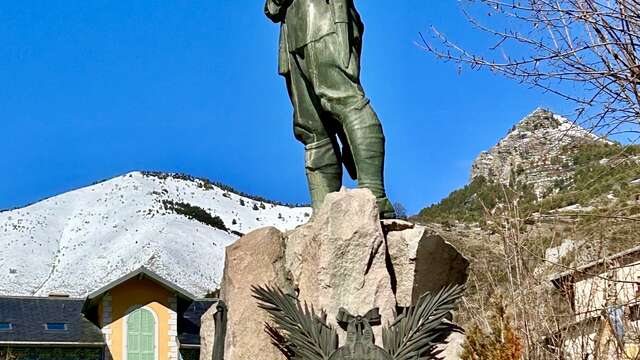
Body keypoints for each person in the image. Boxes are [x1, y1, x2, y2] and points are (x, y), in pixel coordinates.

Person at [264, 0, 396, 219]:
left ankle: (374, 196)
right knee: (312, 128)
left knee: (346, 101)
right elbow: (273, 10)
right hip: (292, 31)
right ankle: (324, 214)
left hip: (325, 19)